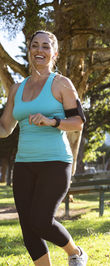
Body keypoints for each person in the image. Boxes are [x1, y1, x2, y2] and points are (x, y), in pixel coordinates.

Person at [0, 30, 88, 266]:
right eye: (35, 45)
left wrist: (52, 121)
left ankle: (75, 253)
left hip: (55, 162)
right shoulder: (17, 89)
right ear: (29, 51)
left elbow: (79, 122)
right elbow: (5, 127)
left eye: (46, 46)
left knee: (40, 220)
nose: (40, 50)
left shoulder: (61, 84)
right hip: (24, 164)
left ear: (54, 53)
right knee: (28, 228)